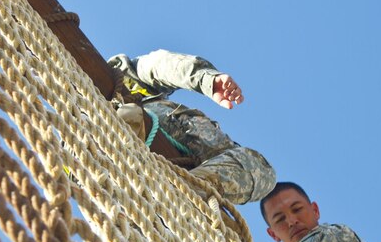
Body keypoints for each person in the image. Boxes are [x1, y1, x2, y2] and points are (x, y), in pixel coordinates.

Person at [106, 49, 275, 205]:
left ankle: (190, 190)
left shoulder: (117, 73)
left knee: (262, 170)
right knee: (128, 115)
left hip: (193, 143)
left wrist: (207, 80)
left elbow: (160, 65)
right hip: (125, 148)